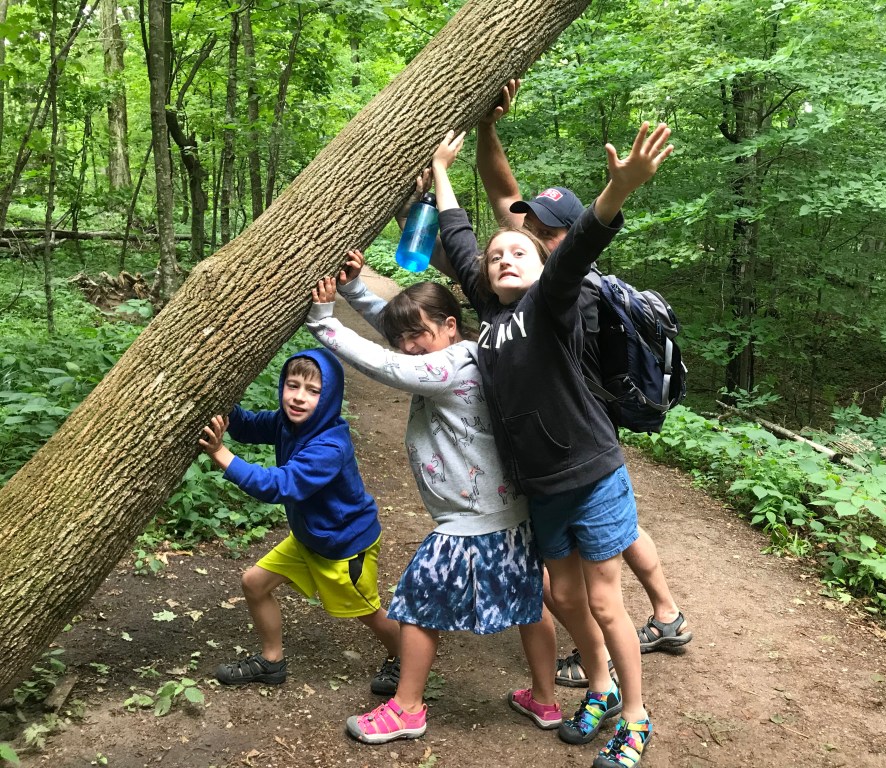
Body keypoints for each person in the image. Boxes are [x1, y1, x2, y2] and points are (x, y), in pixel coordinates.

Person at [431, 122, 673, 768]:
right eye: (496, 256)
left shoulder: (551, 303)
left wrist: (618, 191)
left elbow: (579, 246)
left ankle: (635, 717)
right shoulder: (493, 316)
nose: (504, 258)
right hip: (542, 488)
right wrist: (441, 170)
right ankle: (599, 686)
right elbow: (458, 239)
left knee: (602, 600)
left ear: (542, 266)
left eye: (520, 251)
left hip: (591, 473)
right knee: (562, 597)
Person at [475, 81, 692, 687]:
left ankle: (603, 655)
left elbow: (575, 236)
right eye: (529, 223)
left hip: (580, 429)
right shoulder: (543, 262)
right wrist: (487, 129)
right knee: (621, 527)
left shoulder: (571, 288)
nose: (524, 230)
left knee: (595, 554)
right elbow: (505, 197)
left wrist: (618, 189)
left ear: (564, 237)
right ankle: (668, 613)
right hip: (587, 428)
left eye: (542, 228)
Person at [304, 256, 559, 744]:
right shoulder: (467, 350)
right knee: (529, 603)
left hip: (471, 519)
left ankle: (406, 708)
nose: (407, 344)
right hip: (508, 513)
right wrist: (355, 290)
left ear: (449, 325)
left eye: (418, 334)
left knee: (418, 603)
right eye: (402, 336)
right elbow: (402, 333)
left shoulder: (448, 367)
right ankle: (545, 700)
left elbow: (387, 363)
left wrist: (324, 323)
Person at [198, 348, 402, 694]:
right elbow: (246, 426)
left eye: (313, 390)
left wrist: (220, 453)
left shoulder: (330, 447)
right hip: (310, 537)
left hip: (343, 546)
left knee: (368, 612)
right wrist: (221, 402)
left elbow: (279, 485)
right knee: (254, 583)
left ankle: (406, 659)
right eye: (292, 385)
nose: (298, 397)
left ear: (330, 396)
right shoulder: (286, 423)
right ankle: (271, 661)